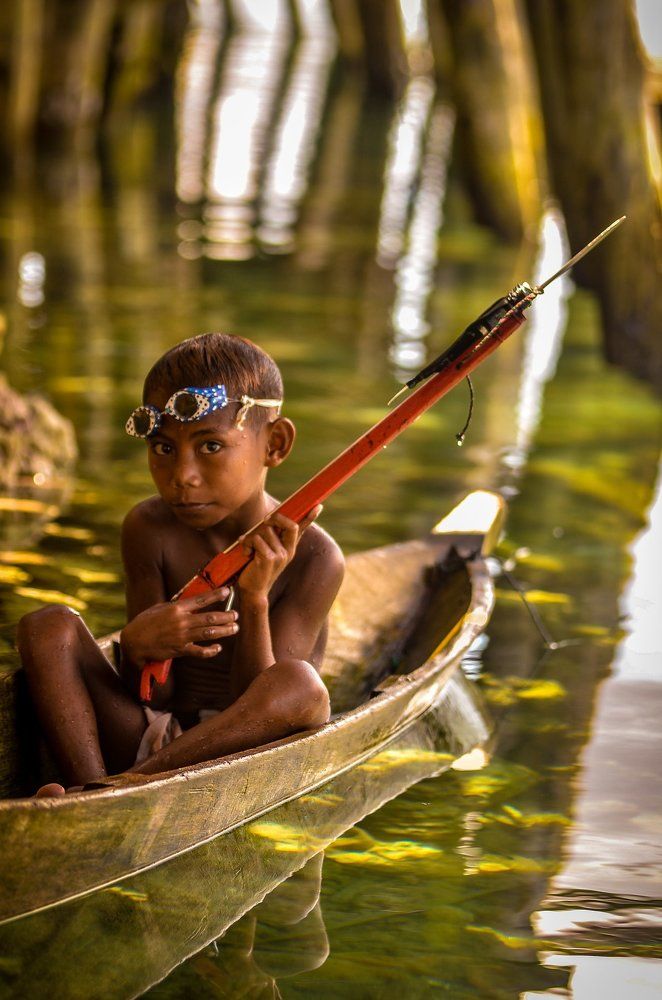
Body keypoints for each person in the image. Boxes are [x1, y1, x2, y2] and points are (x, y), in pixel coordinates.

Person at [17, 333, 344, 795]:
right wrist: (137, 646)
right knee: (48, 625)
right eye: (163, 448)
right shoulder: (149, 528)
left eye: (210, 446)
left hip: (244, 754)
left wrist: (253, 598)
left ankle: (111, 794)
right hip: (153, 735)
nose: (182, 477)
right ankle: (89, 786)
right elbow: (152, 694)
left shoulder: (316, 557)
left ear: (275, 444)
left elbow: (265, 709)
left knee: (300, 685)